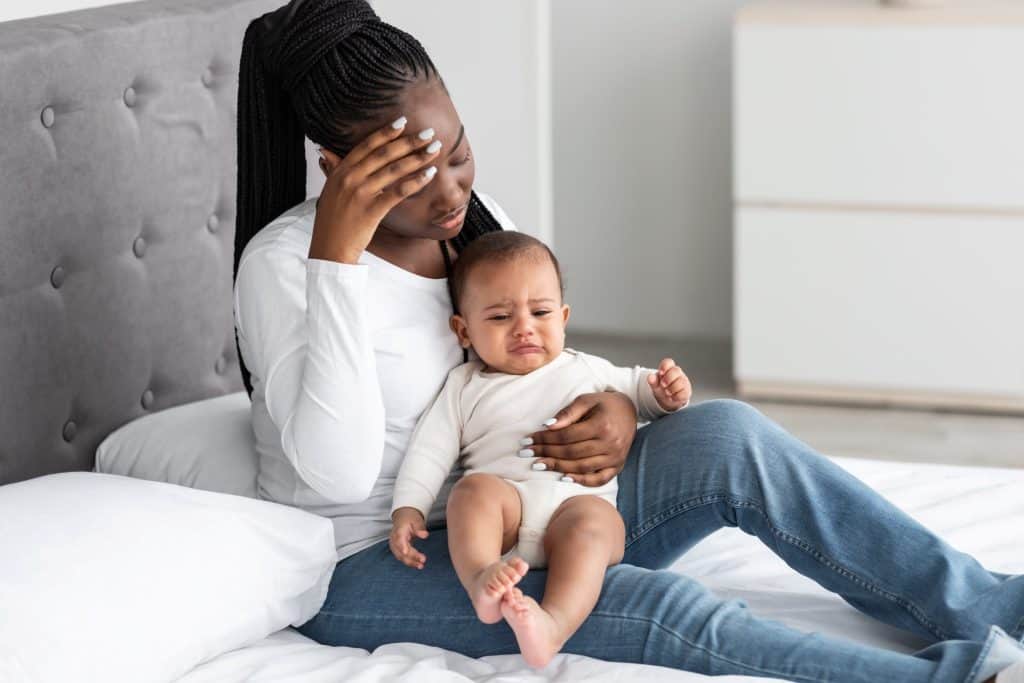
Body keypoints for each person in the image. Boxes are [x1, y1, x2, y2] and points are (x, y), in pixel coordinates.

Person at [232, 0, 1024, 680]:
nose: (451, 192)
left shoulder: (478, 223)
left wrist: (615, 408)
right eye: (411, 175)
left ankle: (993, 607)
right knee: (638, 602)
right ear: (336, 168)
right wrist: (335, 257)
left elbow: (541, 362)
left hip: (534, 496)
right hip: (380, 558)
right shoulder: (282, 268)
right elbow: (335, 475)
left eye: (460, 153)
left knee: (729, 433)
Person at [388, 231, 690, 668]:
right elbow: (429, 451)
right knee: (472, 493)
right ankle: (481, 580)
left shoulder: (586, 368)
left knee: (596, 523)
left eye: (541, 311)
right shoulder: (463, 386)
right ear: (463, 330)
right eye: (499, 317)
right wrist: (408, 509)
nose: (524, 327)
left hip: (575, 508)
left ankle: (552, 625)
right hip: (506, 516)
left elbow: (644, 393)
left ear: (563, 317)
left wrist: (668, 392)